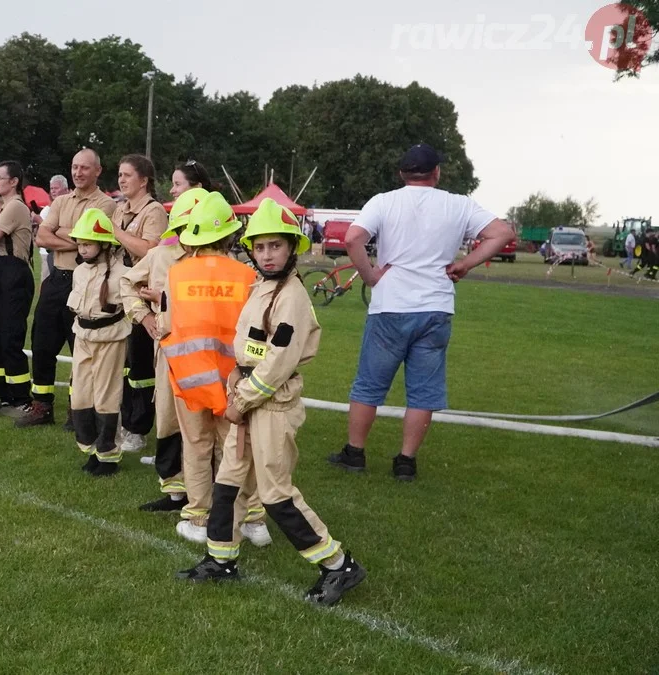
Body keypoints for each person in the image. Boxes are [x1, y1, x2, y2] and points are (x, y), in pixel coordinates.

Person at [178, 198, 368, 609]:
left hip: (270, 406)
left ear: (291, 248)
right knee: (227, 483)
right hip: (247, 399)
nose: (266, 254)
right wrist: (235, 386)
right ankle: (220, 559)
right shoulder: (261, 287)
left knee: (276, 493)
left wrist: (240, 401)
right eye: (259, 247)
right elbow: (248, 349)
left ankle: (337, 564)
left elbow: (277, 363)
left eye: (275, 246)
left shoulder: (292, 298)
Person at [326, 144, 514, 481]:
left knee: (369, 385)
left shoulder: (384, 201)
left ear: (402, 173)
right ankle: (406, 461)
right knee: (423, 390)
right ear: (436, 173)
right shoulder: (459, 204)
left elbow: (353, 238)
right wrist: (466, 264)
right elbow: (501, 233)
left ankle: (355, 453)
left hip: (390, 305)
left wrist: (370, 276)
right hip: (435, 306)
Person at [153, 192, 254, 545]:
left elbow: (164, 324)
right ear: (229, 235)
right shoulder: (247, 276)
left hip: (189, 376)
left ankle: (198, 517)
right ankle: (251, 518)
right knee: (236, 448)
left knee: (195, 445)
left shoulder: (176, 274)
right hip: (235, 380)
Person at [121, 186, 208, 512]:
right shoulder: (160, 255)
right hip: (169, 354)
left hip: (209, 359)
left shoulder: (218, 263)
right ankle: (175, 493)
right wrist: (143, 317)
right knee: (169, 421)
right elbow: (127, 283)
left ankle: (207, 495)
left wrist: (165, 301)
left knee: (204, 429)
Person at [17, 149, 117, 427]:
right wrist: (79, 240)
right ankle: (42, 406)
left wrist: (61, 233)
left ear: (98, 170)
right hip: (58, 278)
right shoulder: (61, 201)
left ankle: (79, 409)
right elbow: (42, 238)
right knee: (42, 343)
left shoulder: (105, 205)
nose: (78, 172)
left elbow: (95, 244)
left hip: (86, 281)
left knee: (81, 348)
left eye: (84, 168)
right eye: (74, 167)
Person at [66, 208, 130, 477]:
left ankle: (108, 456)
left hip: (110, 339)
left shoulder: (123, 274)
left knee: (106, 397)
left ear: (105, 244)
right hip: (83, 336)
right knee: (80, 395)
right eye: (80, 243)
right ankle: (90, 448)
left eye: (88, 243)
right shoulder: (79, 272)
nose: (82, 248)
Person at [113, 154, 169, 453]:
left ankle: (139, 427)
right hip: (120, 291)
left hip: (142, 291)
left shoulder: (154, 211)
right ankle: (126, 419)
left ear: (144, 180)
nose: (121, 180)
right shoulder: (121, 209)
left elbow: (150, 250)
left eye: (127, 175)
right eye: (119, 175)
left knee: (141, 366)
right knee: (124, 365)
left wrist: (117, 232)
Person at [0, 160, 36, 411]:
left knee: (10, 335)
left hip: (14, 271)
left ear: (14, 181)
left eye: (0, 178)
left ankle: (21, 396)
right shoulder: (6, 208)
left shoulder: (15, 206)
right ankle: (5, 391)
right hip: (1, 269)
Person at [38, 175, 71, 283]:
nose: (52, 191)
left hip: (67, 256)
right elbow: (40, 237)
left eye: (56, 188)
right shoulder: (47, 210)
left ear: (66, 189)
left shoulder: (72, 207)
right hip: (48, 253)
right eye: (51, 188)